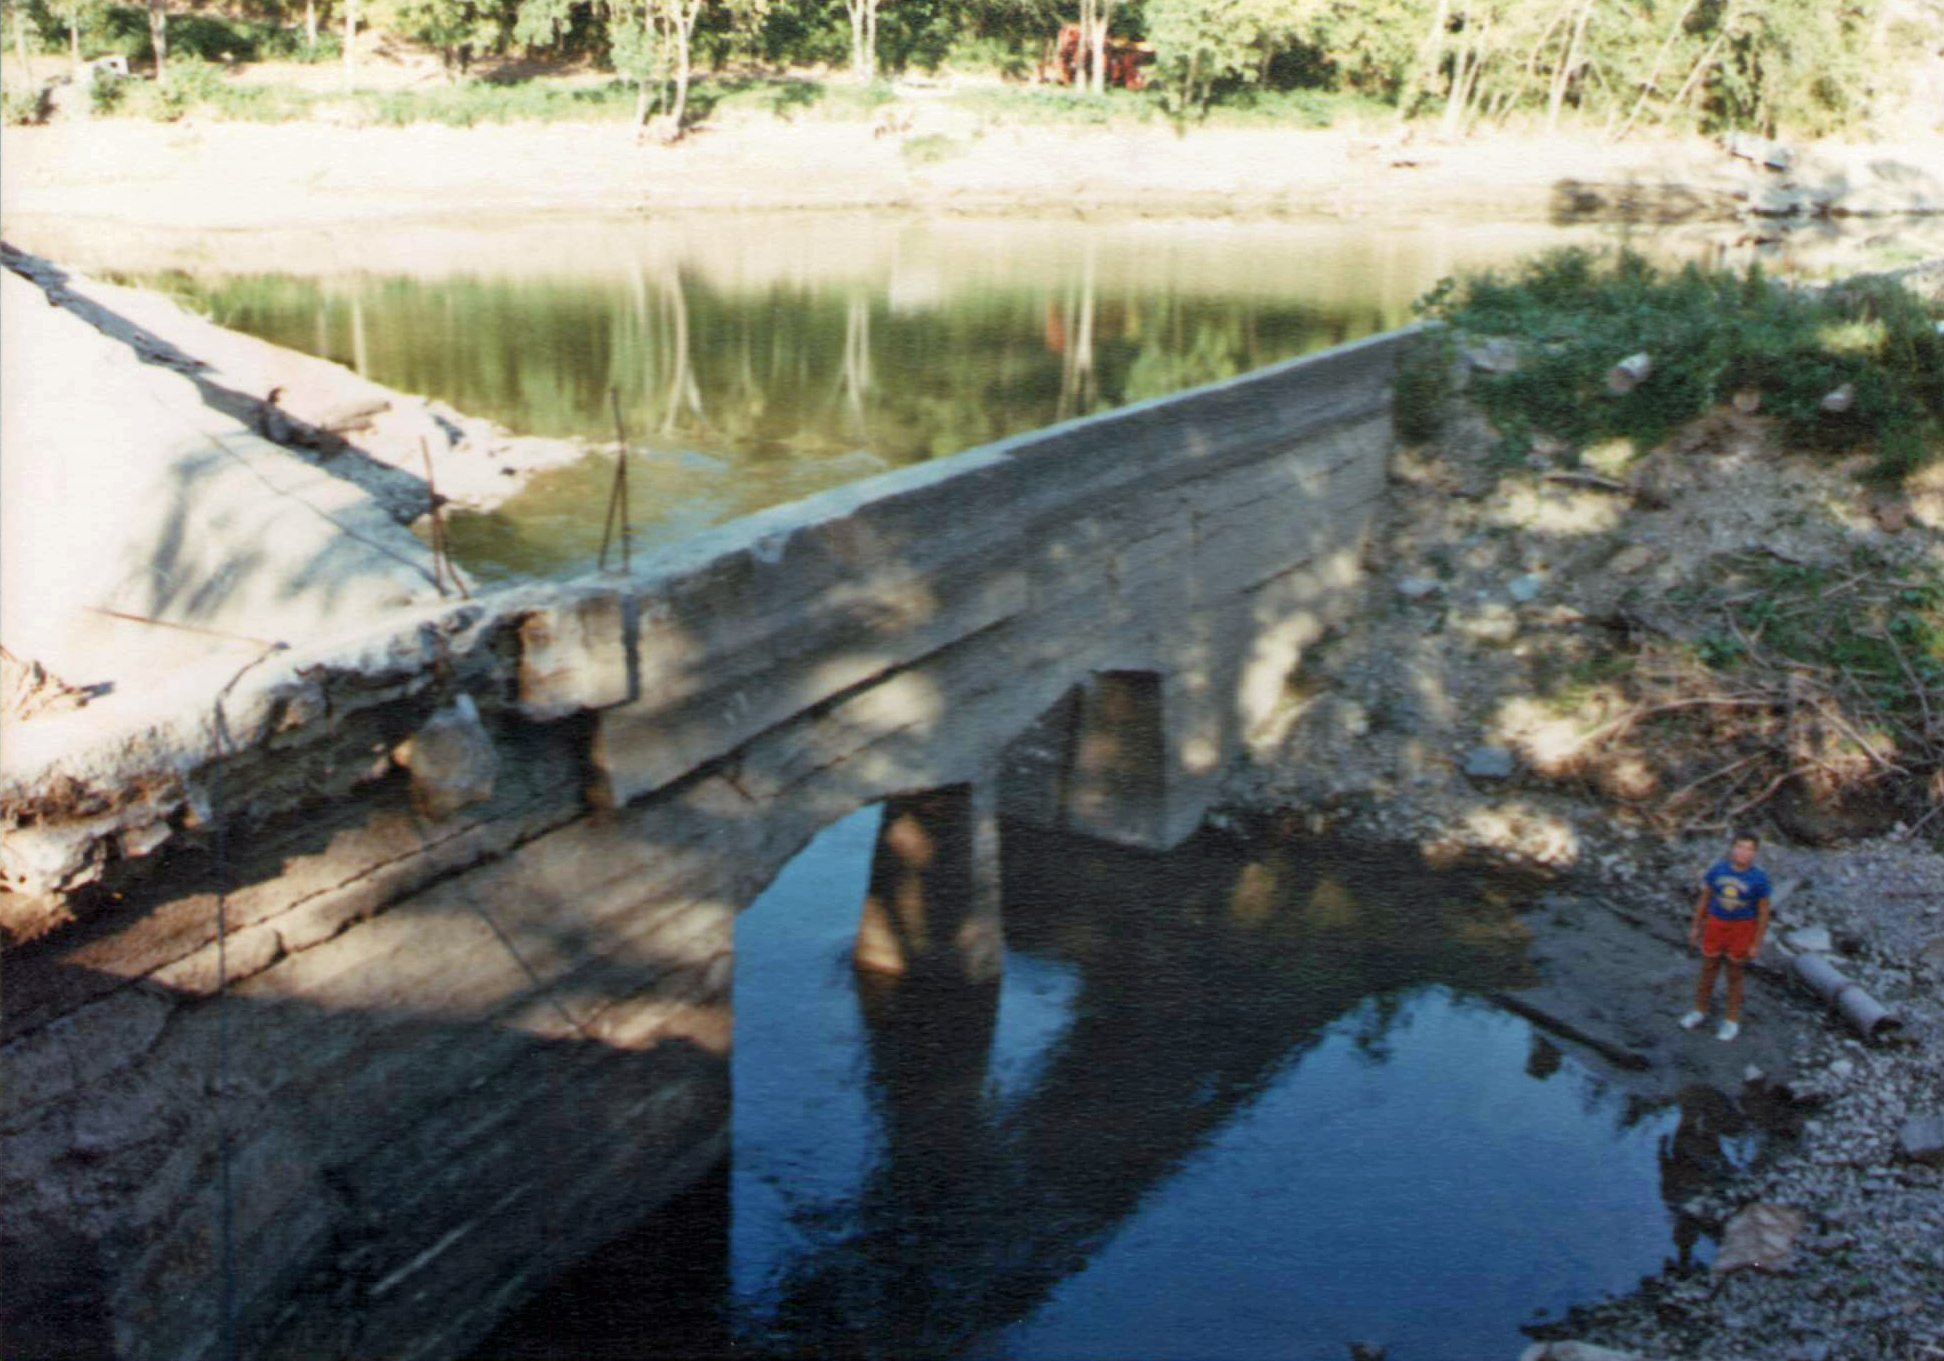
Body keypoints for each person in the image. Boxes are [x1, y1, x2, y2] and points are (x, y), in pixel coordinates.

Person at [1680, 830, 1772, 1041]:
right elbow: (1705, 899)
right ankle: (1699, 1010)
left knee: (1734, 973)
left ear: (1755, 853)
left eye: (1749, 849)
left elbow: (1764, 913)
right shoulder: (1718, 870)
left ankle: (1731, 1021)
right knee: (1708, 968)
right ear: (1732, 848)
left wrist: (1756, 943)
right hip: (1716, 923)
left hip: (1742, 927)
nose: (1743, 852)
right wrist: (1696, 926)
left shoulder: (1759, 879)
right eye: (1739, 846)